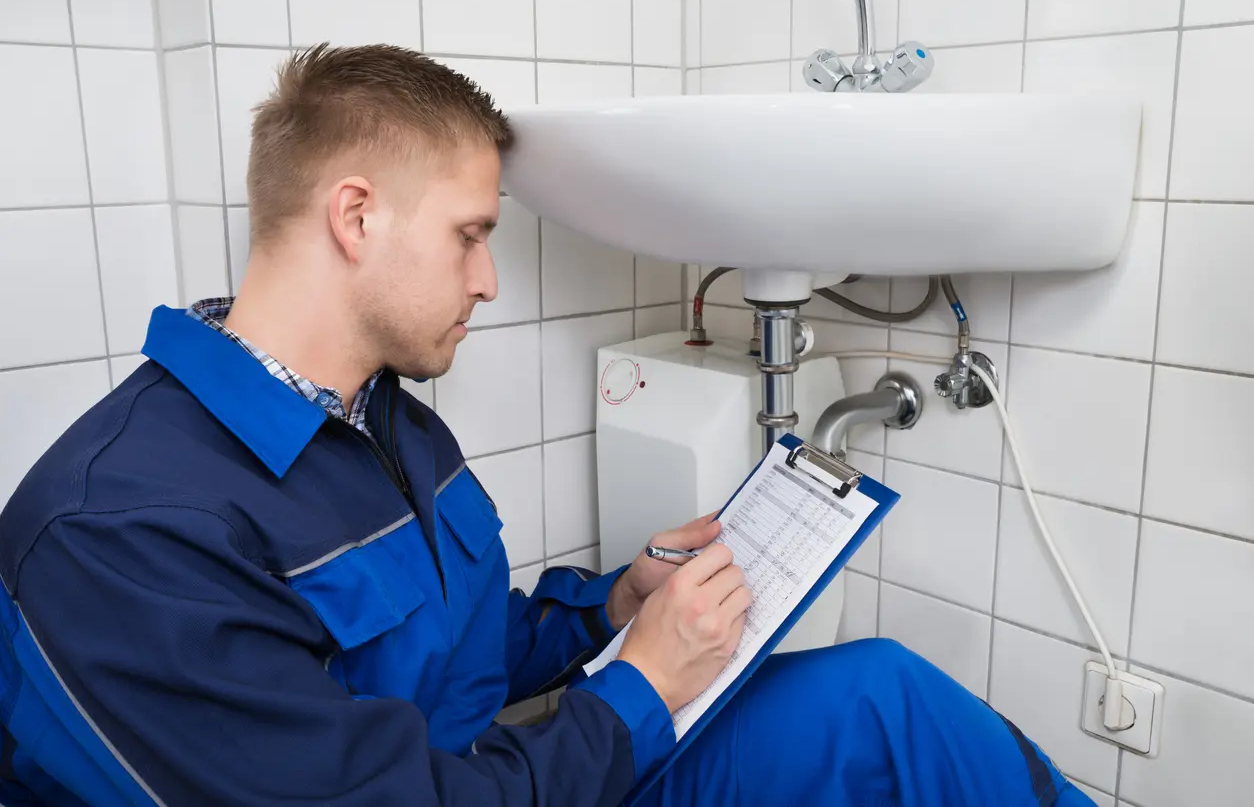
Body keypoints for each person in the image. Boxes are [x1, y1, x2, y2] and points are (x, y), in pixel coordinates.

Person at [0, 44, 1093, 807]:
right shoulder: (122, 533)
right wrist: (640, 689)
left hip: (521, 781)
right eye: (471, 235)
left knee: (881, 698)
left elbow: (454, 652)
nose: (487, 281)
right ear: (356, 214)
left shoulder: (385, 421)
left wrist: (612, 608)